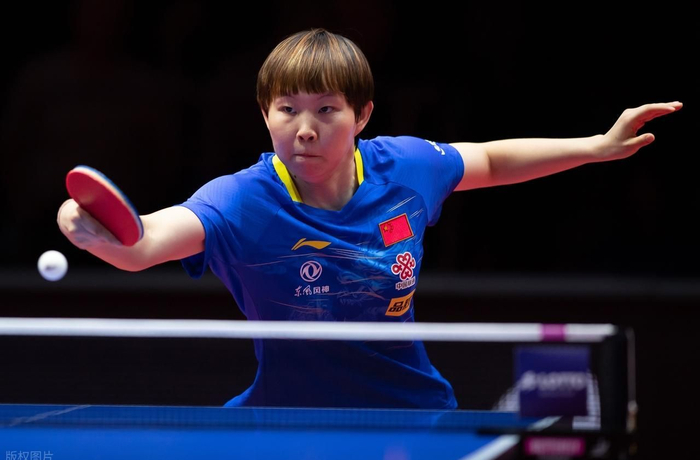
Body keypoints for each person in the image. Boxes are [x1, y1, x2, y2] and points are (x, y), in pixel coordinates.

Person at [57, 28, 682, 409]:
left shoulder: (405, 169)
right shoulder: (240, 201)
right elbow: (144, 242)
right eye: (286, 109)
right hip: (287, 422)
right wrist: (93, 227)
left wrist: (595, 147)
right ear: (264, 115)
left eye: (327, 109)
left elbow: (490, 160)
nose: (304, 129)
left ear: (362, 116)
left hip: (412, 416)